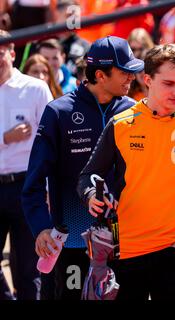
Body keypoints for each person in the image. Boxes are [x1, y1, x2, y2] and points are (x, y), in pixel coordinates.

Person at [77, 44, 175, 300]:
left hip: (174, 255)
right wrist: (91, 194)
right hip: (125, 255)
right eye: (168, 83)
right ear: (147, 80)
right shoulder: (121, 123)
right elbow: (88, 175)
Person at [22, 35, 142, 300]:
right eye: (125, 72)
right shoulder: (59, 112)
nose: (132, 78)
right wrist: (42, 227)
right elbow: (33, 182)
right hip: (74, 241)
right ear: (100, 75)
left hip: (126, 241)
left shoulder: (134, 112)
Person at [0, 29, 53, 300]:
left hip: (26, 187)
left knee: (29, 269)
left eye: (0, 52)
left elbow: (52, 140)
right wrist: (5, 137)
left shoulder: (34, 89)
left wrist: (47, 188)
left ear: (11, 53)